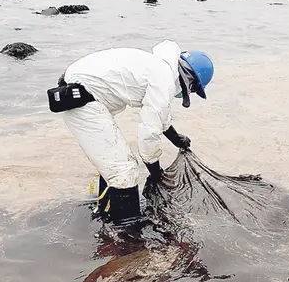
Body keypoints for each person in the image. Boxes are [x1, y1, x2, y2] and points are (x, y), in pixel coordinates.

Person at [53, 40, 214, 224]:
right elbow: (148, 135)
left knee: (115, 162)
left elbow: (159, 115)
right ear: (189, 80)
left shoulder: (160, 68)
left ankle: (106, 214)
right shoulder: (164, 80)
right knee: (124, 171)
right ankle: (126, 236)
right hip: (80, 99)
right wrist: (157, 175)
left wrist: (176, 139)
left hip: (81, 92)